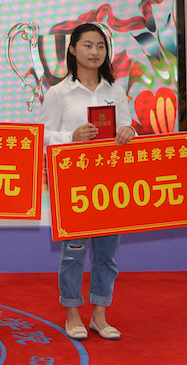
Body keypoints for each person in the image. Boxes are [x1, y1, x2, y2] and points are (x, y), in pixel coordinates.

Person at [40, 22, 135, 341]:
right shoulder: (58, 92)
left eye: (100, 46)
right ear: (72, 49)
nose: (95, 52)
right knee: (74, 252)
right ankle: (72, 314)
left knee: (107, 255)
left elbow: (128, 129)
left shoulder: (115, 91)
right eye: (87, 45)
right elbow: (42, 136)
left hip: (110, 184)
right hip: (75, 185)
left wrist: (129, 132)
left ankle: (99, 315)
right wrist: (71, 136)